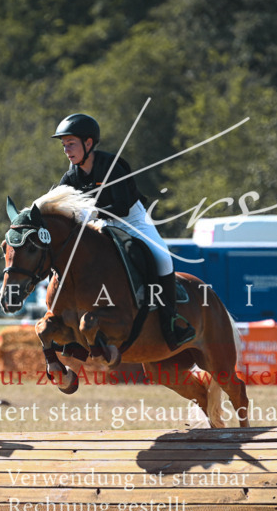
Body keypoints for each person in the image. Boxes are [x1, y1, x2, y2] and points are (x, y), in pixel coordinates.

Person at [52, 113, 195, 351]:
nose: (67, 150)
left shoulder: (111, 166)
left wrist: (90, 214)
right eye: (64, 145)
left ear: (88, 143)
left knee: (162, 258)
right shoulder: (70, 177)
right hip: (101, 225)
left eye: (71, 144)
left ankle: (171, 321)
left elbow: (120, 207)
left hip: (132, 220)